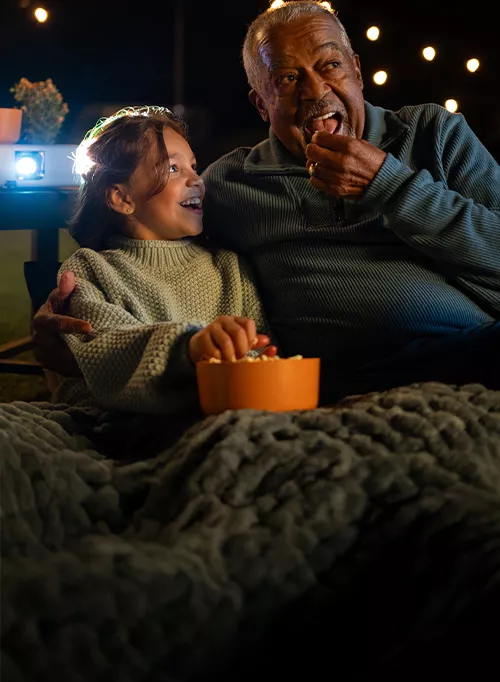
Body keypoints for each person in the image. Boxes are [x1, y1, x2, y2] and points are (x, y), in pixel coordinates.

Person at [33, 0, 500, 402]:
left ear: (356, 69)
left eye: (330, 65)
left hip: (470, 342)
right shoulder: (232, 183)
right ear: (262, 104)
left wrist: (390, 184)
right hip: (338, 377)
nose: (315, 91)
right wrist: (66, 319)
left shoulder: (433, 134)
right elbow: (149, 227)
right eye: (288, 78)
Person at [49, 106, 274, 414]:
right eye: (172, 169)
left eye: (194, 166)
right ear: (122, 198)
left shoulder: (228, 267)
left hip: (226, 414)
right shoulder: (91, 270)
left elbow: (260, 348)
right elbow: (106, 351)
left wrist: (255, 356)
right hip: (115, 429)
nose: (197, 180)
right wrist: (190, 347)